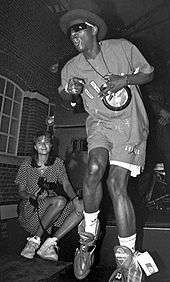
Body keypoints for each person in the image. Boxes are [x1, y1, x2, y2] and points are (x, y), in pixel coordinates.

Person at [58, 0, 156, 280]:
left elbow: (149, 73)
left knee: (116, 184)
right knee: (92, 169)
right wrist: (70, 92)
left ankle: (128, 259)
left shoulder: (122, 48)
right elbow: (67, 99)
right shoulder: (71, 67)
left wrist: (125, 80)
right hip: (99, 124)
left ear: (93, 30)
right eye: (70, 33)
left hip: (129, 126)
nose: (74, 36)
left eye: (78, 30)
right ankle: (88, 239)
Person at [15, 130, 83, 261]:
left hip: (53, 212)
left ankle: (49, 244)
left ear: (51, 146)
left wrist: (75, 200)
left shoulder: (58, 163)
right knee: (60, 201)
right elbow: (21, 191)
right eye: (39, 142)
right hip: (32, 210)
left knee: (83, 205)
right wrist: (32, 196)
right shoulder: (26, 164)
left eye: (46, 142)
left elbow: (66, 184)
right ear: (35, 146)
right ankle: (33, 242)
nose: (43, 145)